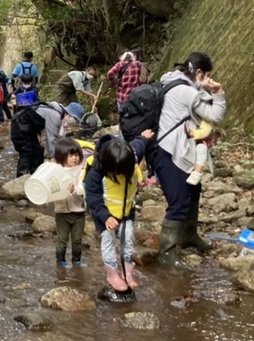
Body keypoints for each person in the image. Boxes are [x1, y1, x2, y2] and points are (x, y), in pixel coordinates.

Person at [150, 52, 226, 266]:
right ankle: (167, 252)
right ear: (199, 72)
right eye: (207, 75)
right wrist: (219, 91)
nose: (208, 79)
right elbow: (215, 114)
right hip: (169, 151)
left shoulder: (176, 83)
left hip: (178, 150)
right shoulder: (185, 90)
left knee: (193, 190)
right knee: (179, 200)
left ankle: (188, 236)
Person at [83, 131, 151, 293]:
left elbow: (139, 144)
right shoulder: (98, 171)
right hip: (105, 213)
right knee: (109, 242)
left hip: (127, 211)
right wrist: (105, 217)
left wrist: (144, 136)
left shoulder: (129, 155)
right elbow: (92, 196)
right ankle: (112, 274)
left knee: (128, 239)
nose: (121, 174)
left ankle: (128, 272)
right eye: (117, 172)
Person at [10, 100, 84, 176]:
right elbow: (51, 139)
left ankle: (36, 174)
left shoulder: (60, 113)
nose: (73, 122)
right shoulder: (55, 115)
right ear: (68, 114)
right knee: (27, 151)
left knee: (38, 151)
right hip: (19, 124)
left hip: (30, 128)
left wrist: (39, 134)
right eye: (74, 119)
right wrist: (54, 157)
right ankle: (21, 178)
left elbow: (37, 119)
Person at [53, 137, 86, 268]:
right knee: (62, 239)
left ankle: (76, 259)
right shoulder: (55, 171)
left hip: (79, 212)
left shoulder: (81, 171)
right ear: (62, 156)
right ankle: (60, 260)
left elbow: (83, 188)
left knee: (77, 239)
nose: (75, 158)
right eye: (71, 155)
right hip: (61, 212)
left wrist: (75, 189)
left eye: (77, 155)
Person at [186, 90, 218, 186]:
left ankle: (197, 172)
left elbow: (206, 130)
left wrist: (193, 133)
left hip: (200, 141)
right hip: (186, 142)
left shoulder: (206, 117)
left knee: (201, 149)